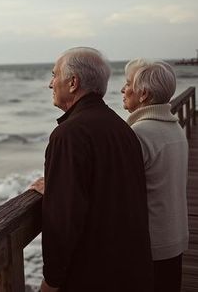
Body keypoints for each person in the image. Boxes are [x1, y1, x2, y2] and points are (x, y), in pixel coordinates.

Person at [30, 47, 154, 292]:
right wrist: (56, 188)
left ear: (73, 82)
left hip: (91, 275)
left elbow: (64, 218)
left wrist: (51, 280)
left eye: (55, 75)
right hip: (131, 268)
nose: (50, 83)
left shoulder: (69, 134)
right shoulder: (121, 128)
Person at [121, 59, 189, 292]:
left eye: (128, 84)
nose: (122, 89)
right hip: (173, 236)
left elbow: (115, 187)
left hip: (150, 244)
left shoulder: (140, 133)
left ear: (143, 94)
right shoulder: (174, 127)